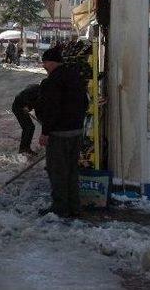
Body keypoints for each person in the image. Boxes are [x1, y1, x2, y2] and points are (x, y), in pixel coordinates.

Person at [36, 47, 88, 218]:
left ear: (51, 62)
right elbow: (85, 104)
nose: (44, 66)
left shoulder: (53, 81)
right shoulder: (75, 76)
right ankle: (75, 207)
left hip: (60, 134)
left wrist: (45, 132)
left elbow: (51, 109)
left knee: (57, 171)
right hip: (76, 131)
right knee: (72, 171)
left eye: (45, 63)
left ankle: (60, 207)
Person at [12, 84, 40, 155]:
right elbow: (23, 95)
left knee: (31, 127)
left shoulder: (43, 95)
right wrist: (26, 106)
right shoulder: (35, 89)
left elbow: (38, 109)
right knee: (27, 127)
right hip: (18, 107)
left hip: (24, 107)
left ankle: (27, 148)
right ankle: (23, 149)